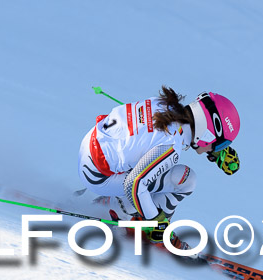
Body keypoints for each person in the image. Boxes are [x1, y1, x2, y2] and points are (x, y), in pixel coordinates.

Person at [78, 86, 240, 244]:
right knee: (185, 180)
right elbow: (134, 184)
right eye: (219, 145)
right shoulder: (171, 146)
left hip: (90, 149)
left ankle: (128, 207)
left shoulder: (166, 106)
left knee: (150, 166)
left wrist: (214, 150)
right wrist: (155, 221)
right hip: (98, 176)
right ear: (208, 133)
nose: (216, 149)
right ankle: (119, 210)